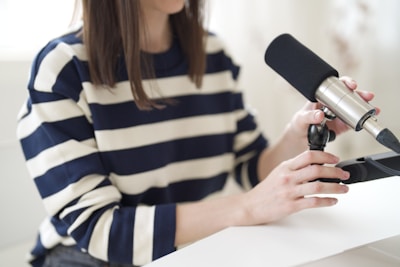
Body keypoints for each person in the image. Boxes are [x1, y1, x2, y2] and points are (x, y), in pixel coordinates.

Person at [16, 0, 376, 266]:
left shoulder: (210, 54)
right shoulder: (63, 70)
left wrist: (298, 133)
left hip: (192, 247)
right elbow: (102, 231)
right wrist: (247, 208)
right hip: (89, 258)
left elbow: (251, 166)